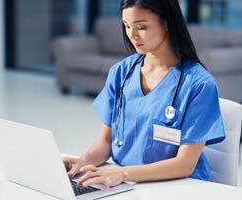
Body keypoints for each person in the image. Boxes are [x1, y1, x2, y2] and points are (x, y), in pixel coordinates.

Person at [63, 0, 225, 188]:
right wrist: (83, 161)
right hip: (128, 183)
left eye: (141, 27)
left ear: (166, 23)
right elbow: (106, 140)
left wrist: (123, 173)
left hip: (180, 185)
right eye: (126, 26)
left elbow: (185, 164)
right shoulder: (121, 72)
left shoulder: (199, 84)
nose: (132, 35)